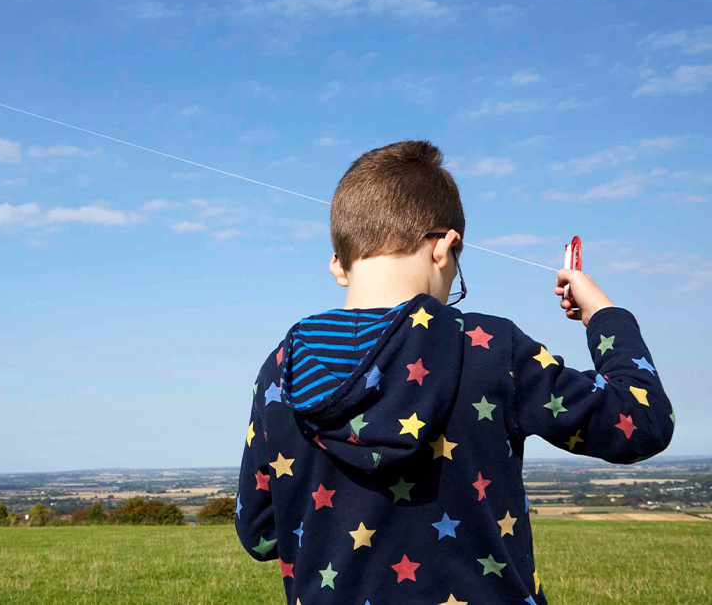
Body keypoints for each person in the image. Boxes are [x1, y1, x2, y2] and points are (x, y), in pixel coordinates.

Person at [234, 141, 674, 605]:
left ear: (339, 266)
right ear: (446, 247)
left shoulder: (282, 368)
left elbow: (260, 531)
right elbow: (641, 423)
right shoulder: (491, 348)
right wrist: (605, 316)